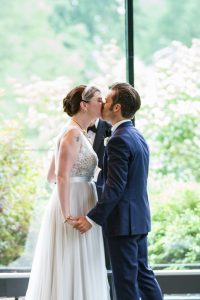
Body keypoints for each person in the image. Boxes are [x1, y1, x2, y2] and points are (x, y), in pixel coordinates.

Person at [73, 82, 163, 300]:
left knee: (125, 284)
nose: (103, 103)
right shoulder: (137, 135)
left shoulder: (118, 140)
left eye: (108, 100)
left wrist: (91, 218)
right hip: (139, 220)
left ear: (117, 108)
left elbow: (115, 187)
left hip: (123, 223)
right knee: (143, 276)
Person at [25, 85, 110, 300]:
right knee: (72, 258)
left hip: (79, 195)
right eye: (99, 100)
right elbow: (60, 176)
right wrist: (66, 213)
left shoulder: (72, 130)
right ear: (84, 104)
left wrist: (83, 173)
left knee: (75, 259)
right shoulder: (72, 133)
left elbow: (50, 175)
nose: (103, 104)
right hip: (75, 201)